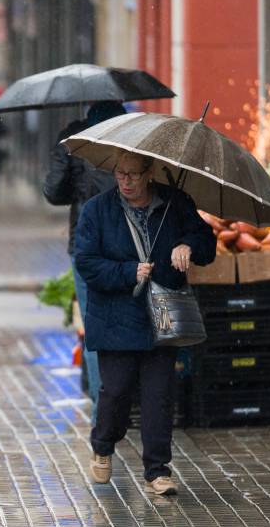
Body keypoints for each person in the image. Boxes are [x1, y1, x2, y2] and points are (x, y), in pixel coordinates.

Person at [73, 151, 216, 496]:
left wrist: (187, 245)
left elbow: (206, 242)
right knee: (116, 391)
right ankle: (103, 445)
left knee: (159, 395)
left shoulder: (175, 203)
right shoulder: (97, 210)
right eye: (120, 174)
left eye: (134, 175)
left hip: (161, 316)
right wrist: (128, 272)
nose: (126, 181)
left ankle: (157, 470)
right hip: (115, 316)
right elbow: (86, 262)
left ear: (149, 172)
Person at [43, 101, 127, 408]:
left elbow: (54, 193)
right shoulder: (132, 134)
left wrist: (70, 165)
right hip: (129, 243)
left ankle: (103, 407)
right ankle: (126, 398)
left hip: (86, 243)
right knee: (128, 322)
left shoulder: (73, 139)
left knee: (95, 326)